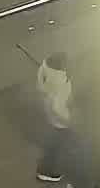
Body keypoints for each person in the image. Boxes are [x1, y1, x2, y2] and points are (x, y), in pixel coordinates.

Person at [36, 53, 74, 183]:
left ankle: (48, 166)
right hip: (62, 120)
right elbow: (58, 108)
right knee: (59, 141)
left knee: (57, 140)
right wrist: (71, 122)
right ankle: (47, 170)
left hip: (50, 110)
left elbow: (41, 85)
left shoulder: (45, 67)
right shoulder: (61, 84)